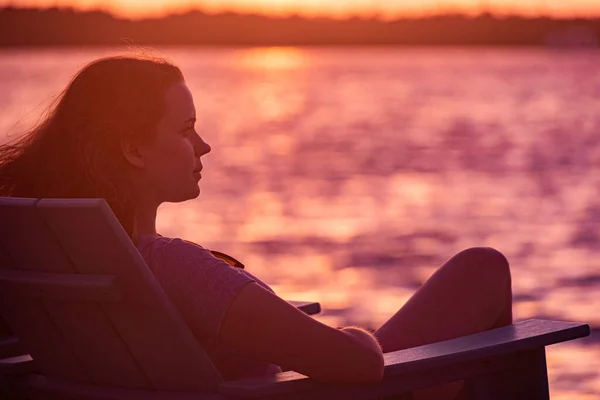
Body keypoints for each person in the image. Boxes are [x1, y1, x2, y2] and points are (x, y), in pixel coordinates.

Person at [0, 54, 512, 400]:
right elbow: (360, 365)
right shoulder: (176, 267)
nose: (203, 147)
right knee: (481, 270)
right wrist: (356, 337)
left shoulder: (58, 259)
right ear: (133, 149)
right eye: (185, 130)